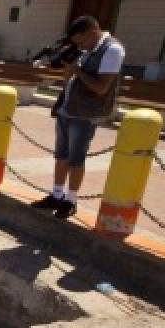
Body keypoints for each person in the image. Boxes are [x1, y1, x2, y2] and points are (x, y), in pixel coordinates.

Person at [31, 15, 125, 220]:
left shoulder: (112, 50)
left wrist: (78, 71)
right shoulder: (85, 49)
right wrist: (68, 70)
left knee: (76, 158)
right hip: (67, 108)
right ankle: (56, 196)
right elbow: (69, 79)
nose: (80, 46)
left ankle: (70, 201)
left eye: (81, 41)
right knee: (61, 155)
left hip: (86, 113)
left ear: (93, 32)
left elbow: (101, 87)